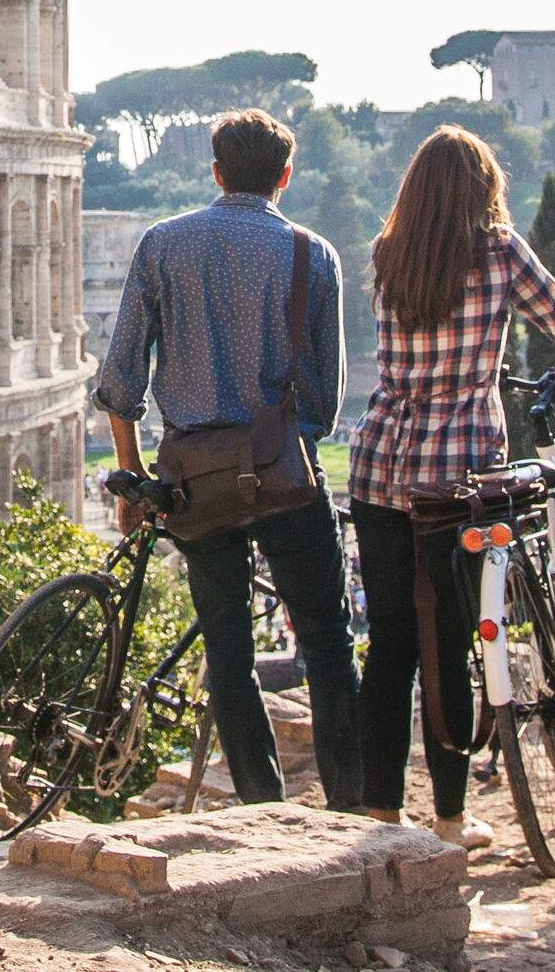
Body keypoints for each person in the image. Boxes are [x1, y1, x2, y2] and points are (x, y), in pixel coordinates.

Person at [343, 124, 555, 843]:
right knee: (448, 645)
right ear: (483, 189)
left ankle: (381, 812)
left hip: (381, 465)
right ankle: (449, 820)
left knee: (389, 647)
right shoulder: (499, 250)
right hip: (457, 478)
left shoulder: (388, 254)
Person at [92, 108, 362, 809]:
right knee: (329, 644)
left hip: (194, 480)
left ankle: (261, 808)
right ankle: (350, 806)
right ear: (286, 177)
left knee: (228, 653)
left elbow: (121, 381)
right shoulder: (315, 255)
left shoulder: (162, 244)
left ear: (214, 172)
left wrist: (133, 480)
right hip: (285, 476)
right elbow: (324, 402)